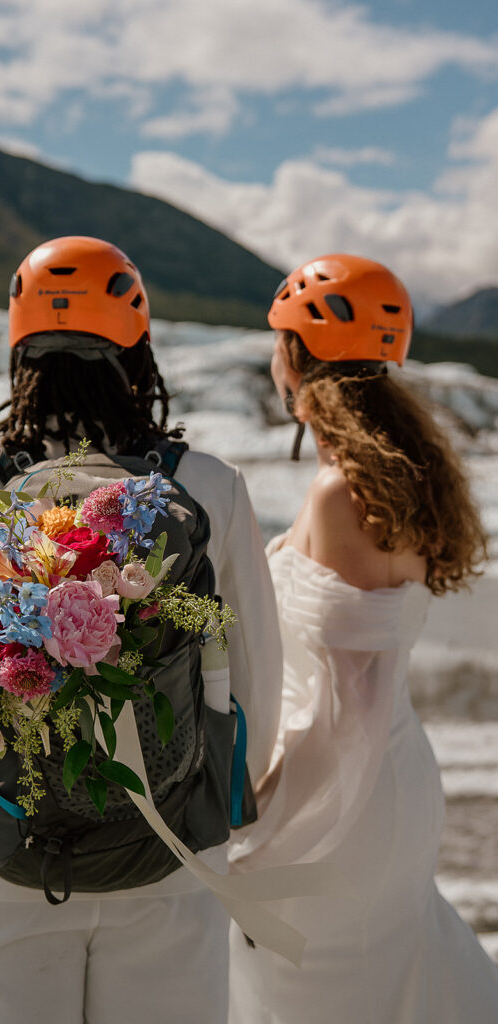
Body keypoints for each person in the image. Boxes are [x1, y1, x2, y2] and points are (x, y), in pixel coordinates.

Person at [0, 235, 283, 1024]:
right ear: (137, 348)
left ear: (20, 347)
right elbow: (254, 675)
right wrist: (213, 822)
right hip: (168, 858)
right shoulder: (208, 486)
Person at [228, 253, 498, 1023]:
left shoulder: (337, 492)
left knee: (315, 988)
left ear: (293, 357)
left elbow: (353, 690)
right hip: (392, 776)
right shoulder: (400, 476)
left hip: (340, 784)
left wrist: (269, 801)